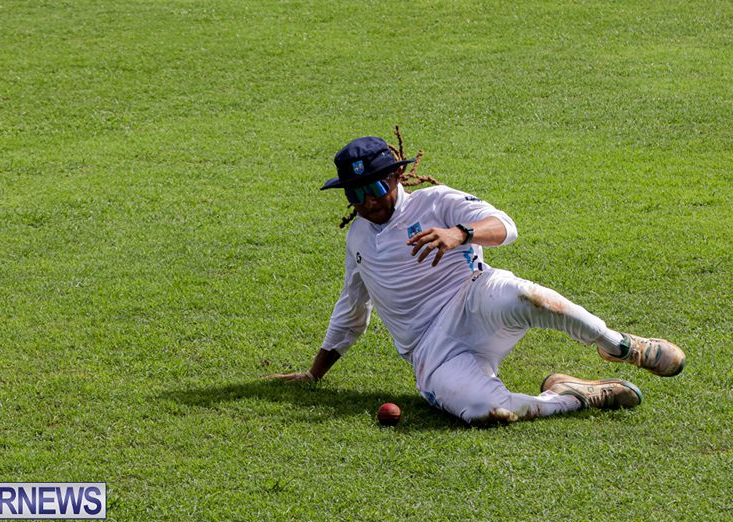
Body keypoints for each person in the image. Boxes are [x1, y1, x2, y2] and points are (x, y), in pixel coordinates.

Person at [269, 135, 685, 424]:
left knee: (529, 296)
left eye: (375, 186)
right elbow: (351, 310)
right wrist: (314, 373)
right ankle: (573, 396)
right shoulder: (357, 238)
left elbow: (505, 225)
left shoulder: (437, 202)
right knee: (485, 412)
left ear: (396, 177)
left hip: (474, 300)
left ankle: (621, 347)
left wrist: (460, 234)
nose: (369, 201)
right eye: (355, 194)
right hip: (430, 352)